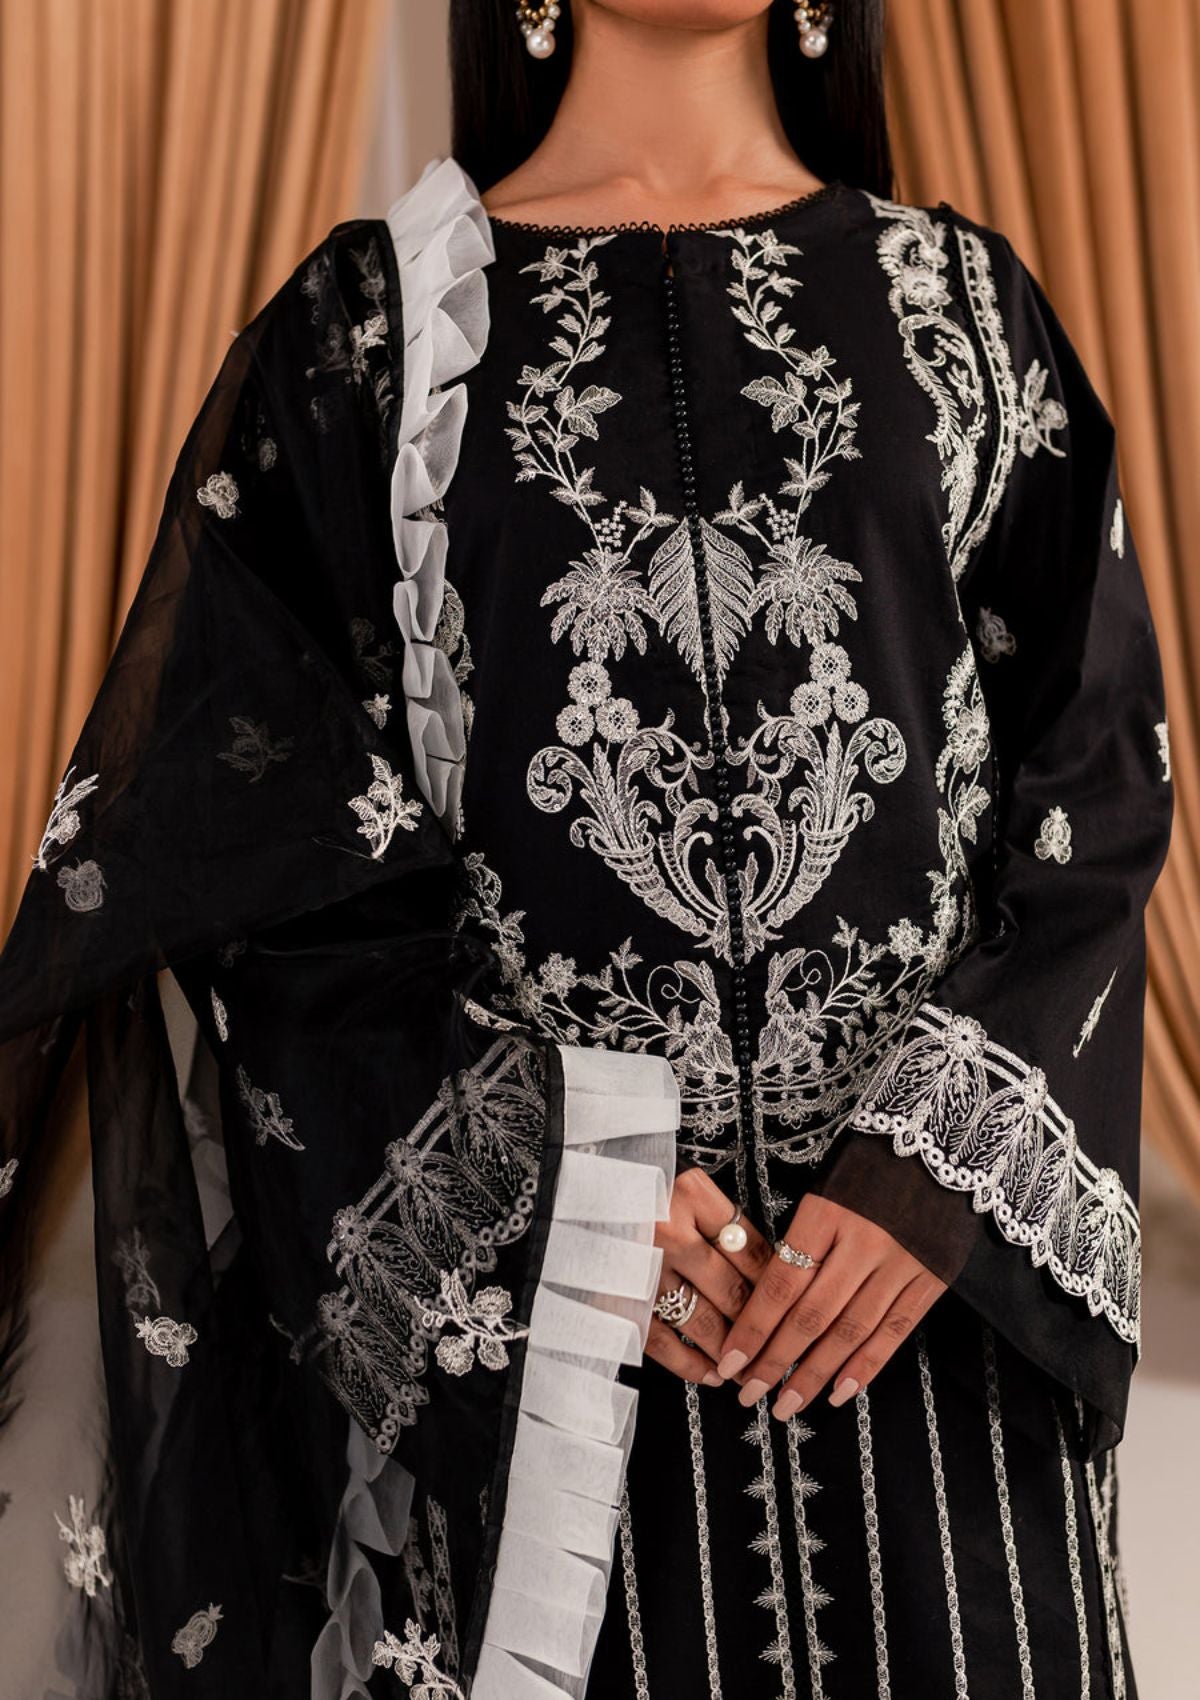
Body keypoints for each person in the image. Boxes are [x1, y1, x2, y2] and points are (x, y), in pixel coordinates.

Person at [0, 2, 1173, 1696]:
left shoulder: (969, 308)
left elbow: (1095, 781)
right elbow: (258, 859)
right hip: (568, 1374)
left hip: (929, 1342)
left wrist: (944, 1167)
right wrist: (560, 1184)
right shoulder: (364, 341)